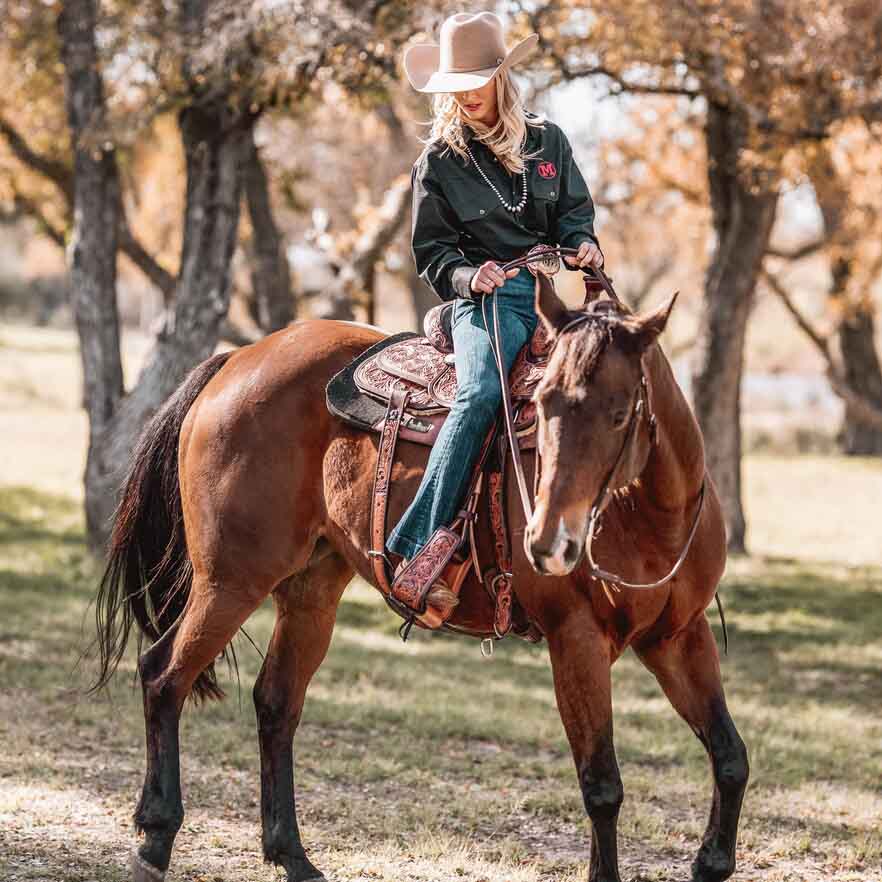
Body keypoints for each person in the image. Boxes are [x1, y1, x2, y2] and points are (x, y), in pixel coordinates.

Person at [387, 11, 603, 606]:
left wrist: (584, 243)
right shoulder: (438, 162)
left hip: (551, 297)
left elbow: (575, 215)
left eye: (477, 80)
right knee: (481, 394)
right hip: (486, 302)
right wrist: (466, 274)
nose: (467, 95)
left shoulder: (549, 142)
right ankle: (417, 541)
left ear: (502, 79)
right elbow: (431, 252)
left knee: (610, 385)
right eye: (456, 85)